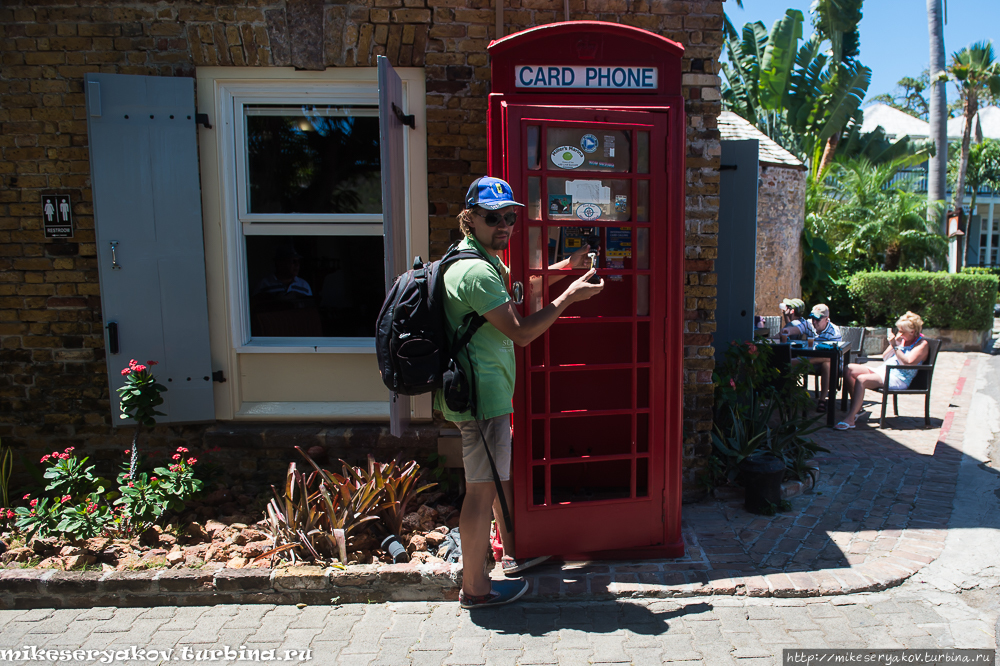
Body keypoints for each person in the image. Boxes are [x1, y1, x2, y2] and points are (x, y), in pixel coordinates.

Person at [433, 176, 604, 609]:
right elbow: (523, 331)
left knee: (495, 482)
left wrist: (565, 267)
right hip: (480, 395)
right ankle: (476, 591)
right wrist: (568, 296)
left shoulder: (482, 258)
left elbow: (514, 295)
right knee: (480, 492)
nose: (504, 225)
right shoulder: (475, 269)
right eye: (493, 218)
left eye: (509, 216)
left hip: (485, 390)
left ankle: (512, 555)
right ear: (469, 218)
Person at [836, 311, 929, 430]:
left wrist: (895, 346)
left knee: (862, 379)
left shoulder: (922, 344)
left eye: (902, 331)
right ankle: (858, 409)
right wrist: (893, 344)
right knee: (849, 369)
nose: (899, 333)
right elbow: (885, 357)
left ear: (912, 332)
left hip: (898, 378)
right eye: (898, 330)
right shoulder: (902, 340)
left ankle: (850, 418)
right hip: (885, 371)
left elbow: (907, 363)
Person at [800, 304, 842, 411]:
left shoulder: (834, 332)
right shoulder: (809, 324)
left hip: (830, 361)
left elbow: (832, 355)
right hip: (814, 359)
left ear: (826, 319)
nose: (814, 322)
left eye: (817, 319)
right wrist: (788, 331)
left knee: (828, 363)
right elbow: (797, 328)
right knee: (826, 361)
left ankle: (822, 399)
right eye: (813, 318)